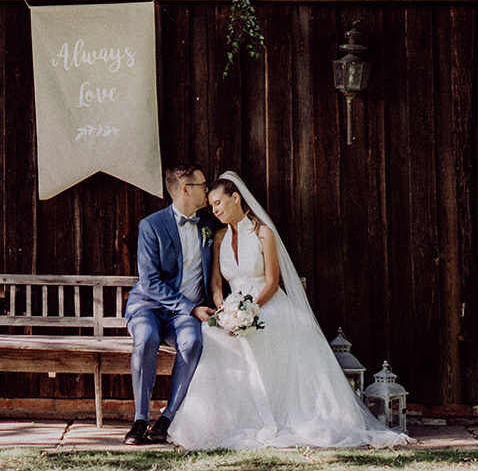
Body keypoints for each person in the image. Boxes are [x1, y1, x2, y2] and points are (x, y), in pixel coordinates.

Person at [166, 171, 413, 449]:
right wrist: (225, 309)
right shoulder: (220, 237)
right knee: (212, 337)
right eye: (212, 206)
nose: (215, 210)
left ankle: (282, 416)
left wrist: (247, 311)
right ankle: (219, 423)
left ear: (235, 198)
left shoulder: (263, 233)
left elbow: (272, 282)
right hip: (233, 308)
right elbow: (214, 283)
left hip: (266, 304)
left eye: (218, 203)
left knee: (267, 333)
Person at [123, 164, 219, 445]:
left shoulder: (211, 225)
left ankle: (167, 420)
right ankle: (140, 420)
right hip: (149, 307)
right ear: (185, 190)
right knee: (145, 339)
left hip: (186, 313)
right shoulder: (151, 225)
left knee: (192, 343)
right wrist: (190, 308)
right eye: (203, 185)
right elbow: (150, 281)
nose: (208, 190)